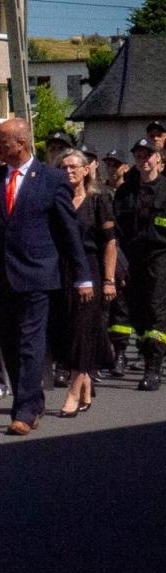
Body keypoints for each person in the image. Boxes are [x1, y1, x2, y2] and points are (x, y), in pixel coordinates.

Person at [0, 117, 91, 435]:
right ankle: (30, 399)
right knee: (9, 343)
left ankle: (25, 409)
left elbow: (69, 232)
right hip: (0, 276)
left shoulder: (51, 179)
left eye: (2, 142)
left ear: (21, 143)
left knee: (31, 342)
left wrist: (82, 274)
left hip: (38, 274)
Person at [52, 149, 115, 417]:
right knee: (66, 329)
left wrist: (109, 279)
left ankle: (73, 392)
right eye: (64, 167)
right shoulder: (58, 200)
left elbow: (110, 243)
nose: (68, 171)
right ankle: (86, 382)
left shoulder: (99, 201)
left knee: (83, 330)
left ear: (86, 170)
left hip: (90, 270)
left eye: (73, 167)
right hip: (61, 269)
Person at [113, 139, 166, 391]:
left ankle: (153, 369)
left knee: (156, 312)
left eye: (148, 155)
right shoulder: (125, 192)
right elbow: (117, 230)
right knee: (136, 313)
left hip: (159, 257)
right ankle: (147, 354)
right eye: (139, 156)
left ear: (158, 159)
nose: (144, 160)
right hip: (131, 258)